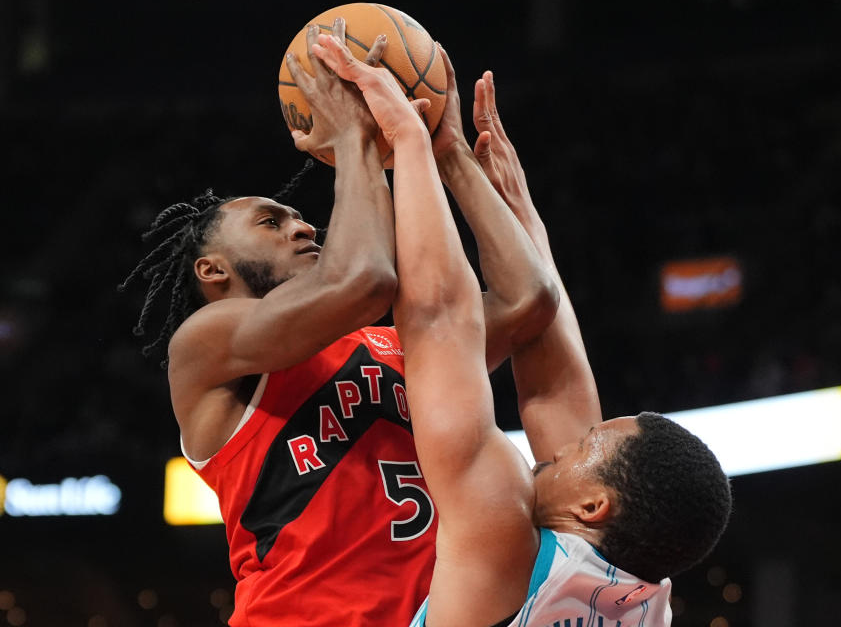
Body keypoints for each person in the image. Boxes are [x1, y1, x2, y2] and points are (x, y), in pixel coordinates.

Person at [119, 20, 556, 627]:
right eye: (272, 222)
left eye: (301, 217)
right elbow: (364, 281)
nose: (304, 227)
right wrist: (358, 135)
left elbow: (529, 300)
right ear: (212, 269)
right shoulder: (209, 342)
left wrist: (447, 151)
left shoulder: (388, 342)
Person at [312, 33, 732, 627]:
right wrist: (488, 185)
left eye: (588, 447)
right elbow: (555, 389)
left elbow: (439, 321)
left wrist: (410, 140)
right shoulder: (641, 602)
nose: (566, 444)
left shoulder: (503, 537)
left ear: (593, 504)